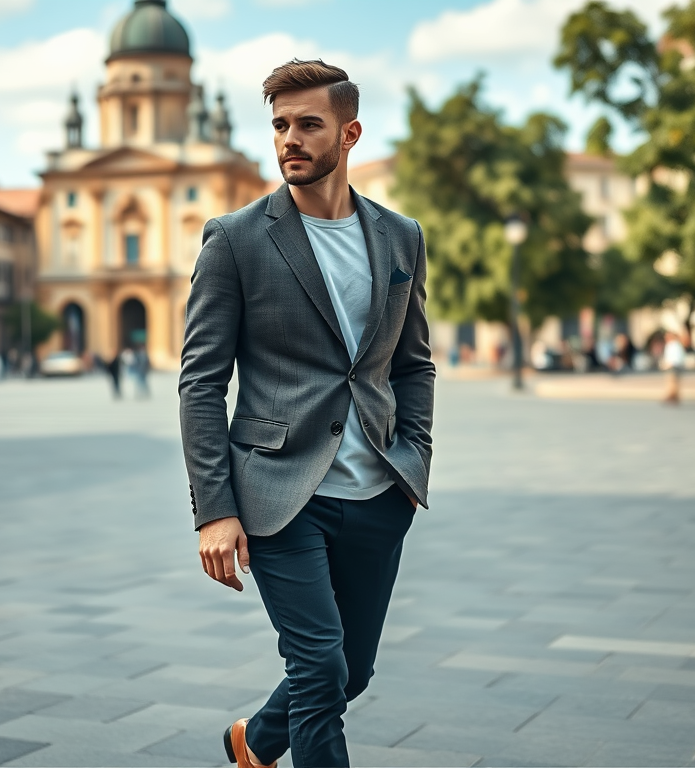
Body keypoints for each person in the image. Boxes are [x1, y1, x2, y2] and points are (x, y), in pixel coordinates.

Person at [179, 60, 435, 768]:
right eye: (280, 126)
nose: (289, 139)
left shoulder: (400, 237)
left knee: (351, 672)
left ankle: (254, 745)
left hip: (378, 493)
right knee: (320, 671)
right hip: (279, 494)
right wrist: (214, 509)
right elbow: (202, 380)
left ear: (349, 133)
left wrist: (413, 458)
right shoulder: (235, 239)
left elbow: (413, 362)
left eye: (308, 125)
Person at [660, 330, 685, 404]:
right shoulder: (670, 345)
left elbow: (677, 357)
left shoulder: (675, 345)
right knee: (670, 382)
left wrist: (670, 363)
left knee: (673, 383)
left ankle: (673, 397)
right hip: (669, 366)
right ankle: (672, 397)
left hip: (674, 366)